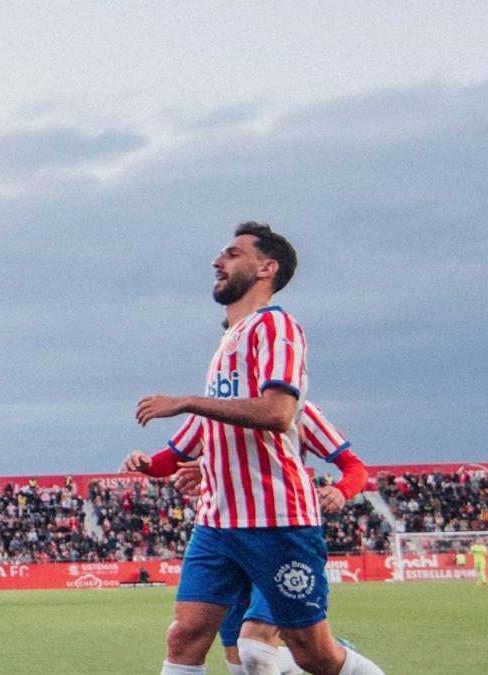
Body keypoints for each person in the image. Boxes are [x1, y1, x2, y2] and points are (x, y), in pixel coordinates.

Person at [133, 222, 383, 675]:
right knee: (185, 636)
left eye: (231, 253)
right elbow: (190, 446)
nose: (217, 261)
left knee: (311, 654)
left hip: (277, 521)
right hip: (218, 522)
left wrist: (187, 401)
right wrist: (177, 465)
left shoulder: (277, 327)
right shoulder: (225, 345)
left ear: (266, 269)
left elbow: (277, 412)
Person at [126, 400, 372, 675]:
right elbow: (172, 459)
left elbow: (354, 465)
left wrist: (341, 490)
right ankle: (319, 654)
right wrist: (146, 464)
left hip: (277, 534)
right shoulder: (211, 409)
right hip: (221, 537)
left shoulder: (294, 409)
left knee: (258, 650)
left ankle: (331, 655)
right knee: (232, 659)